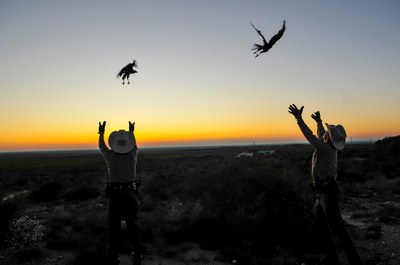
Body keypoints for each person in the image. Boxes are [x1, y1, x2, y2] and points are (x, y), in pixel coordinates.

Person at [288, 104, 363, 265]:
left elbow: (310, 136)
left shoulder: (325, 149)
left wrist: (299, 119)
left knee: (338, 229)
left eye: (327, 134)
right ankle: (332, 258)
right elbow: (320, 134)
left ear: (329, 138)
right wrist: (319, 122)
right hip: (322, 191)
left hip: (328, 192)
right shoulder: (327, 146)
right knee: (323, 226)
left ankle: (355, 261)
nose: (325, 135)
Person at [98, 121, 141, 265]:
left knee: (113, 227)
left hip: (115, 195)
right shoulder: (133, 154)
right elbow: (134, 144)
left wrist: (102, 133)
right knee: (133, 225)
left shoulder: (110, 156)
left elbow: (101, 146)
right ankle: (137, 255)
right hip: (131, 193)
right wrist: (131, 131)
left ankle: (113, 257)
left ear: (115, 143)